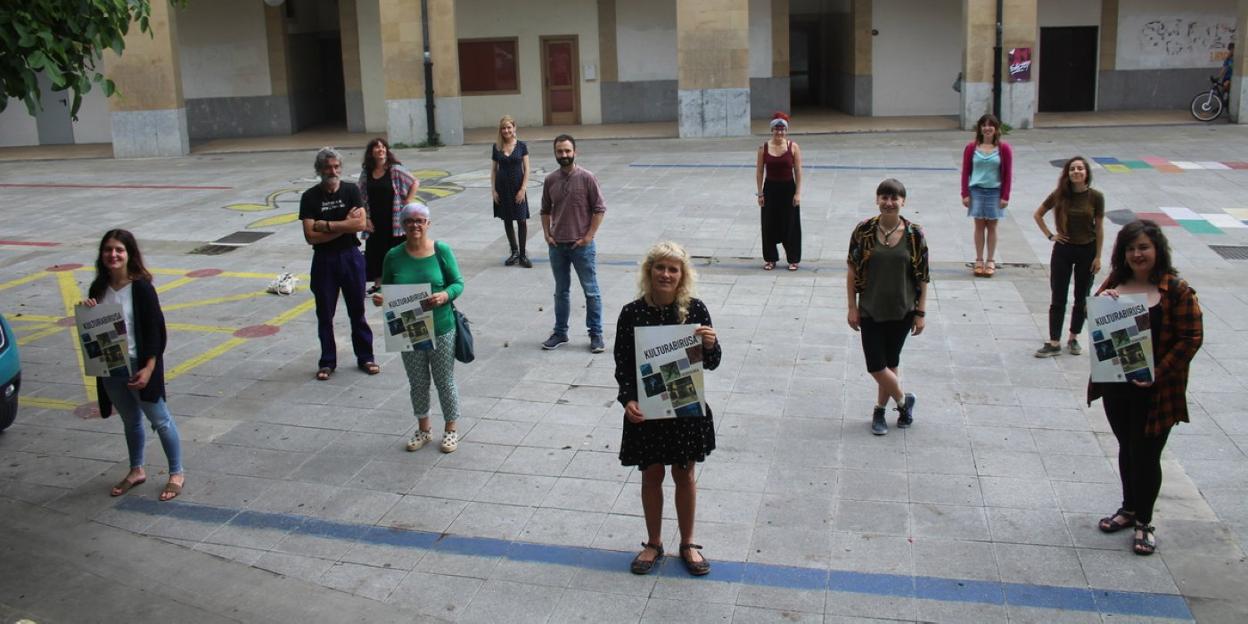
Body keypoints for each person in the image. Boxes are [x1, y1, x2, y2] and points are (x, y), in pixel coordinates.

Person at [1088, 220, 1202, 556]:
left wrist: (1158, 372)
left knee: (1147, 454)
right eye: (1130, 249)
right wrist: (1102, 300)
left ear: (1157, 250)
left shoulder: (1177, 290)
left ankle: (1144, 522)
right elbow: (1096, 322)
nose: (1137, 254)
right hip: (1117, 386)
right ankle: (1128, 508)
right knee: (1127, 447)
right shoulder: (1116, 281)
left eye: (1143, 248)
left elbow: (1191, 338)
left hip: (1156, 392)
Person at [614, 241, 721, 576]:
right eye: (660, 267)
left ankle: (688, 543)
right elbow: (623, 365)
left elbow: (712, 363)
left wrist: (710, 344)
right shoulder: (631, 313)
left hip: (684, 407)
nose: (666, 274)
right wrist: (628, 399)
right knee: (651, 475)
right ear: (649, 272)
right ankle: (654, 542)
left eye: (673, 269)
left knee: (684, 475)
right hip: (648, 410)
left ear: (682, 275)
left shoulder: (695, 310)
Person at [82, 230, 184, 501]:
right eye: (108, 249)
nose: (113, 255)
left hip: (139, 364)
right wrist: (88, 309)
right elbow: (94, 328)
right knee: (130, 420)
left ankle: (176, 473)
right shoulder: (98, 288)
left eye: (119, 250)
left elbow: (156, 332)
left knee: (160, 420)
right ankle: (136, 469)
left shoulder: (141, 288)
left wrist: (149, 369)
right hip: (111, 365)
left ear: (129, 254)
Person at [372, 203, 465, 454]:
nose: (415, 225)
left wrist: (445, 295)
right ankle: (424, 428)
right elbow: (386, 288)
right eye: (410, 221)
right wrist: (380, 298)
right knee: (417, 381)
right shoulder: (393, 256)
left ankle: (451, 429)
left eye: (420, 220)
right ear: (402, 225)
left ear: (428, 224)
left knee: (444, 380)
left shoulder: (441, 250)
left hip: (441, 325)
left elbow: (458, 283)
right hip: (408, 325)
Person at [846, 179, 929, 436]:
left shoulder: (915, 234)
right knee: (875, 365)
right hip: (870, 308)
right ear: (877, 200)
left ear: (903, 201)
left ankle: (880, 411)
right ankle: (904, 402)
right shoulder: (864, 230)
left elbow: (923, 277)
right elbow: (851, 270)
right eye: (884, 197)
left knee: (890, 362)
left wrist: (920, 312)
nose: (889, 203)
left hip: (902, 310)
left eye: (894, 198)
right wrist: (852, 307)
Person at [300, 147, 378, 380]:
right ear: (319, 170)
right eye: (328, 168)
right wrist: (345, 225)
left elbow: (361, 224)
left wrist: (327, 226)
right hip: (324, 260)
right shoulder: (310, 197)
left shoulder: (351, 190)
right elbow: (310, 236)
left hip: (350, 256)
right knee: (325, 314)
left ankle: (366, 357)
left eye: (336, 167)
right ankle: (327, 361)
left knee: (358, 311)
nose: (333, 171)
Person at [540, 134, 607, 352]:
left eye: (567, 151)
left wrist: (589, 236)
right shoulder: (550, 180)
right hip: (557, 246)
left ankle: (596, 334)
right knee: (561, 292)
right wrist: (547, 234)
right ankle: (560, 332)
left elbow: (599, 209)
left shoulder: (587, 178)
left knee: (591, 291)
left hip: (582, 246)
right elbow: (545, 210)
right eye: (560, 151)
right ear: (555, 153)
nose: (564, 155)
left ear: (575, 152)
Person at [1033, 156, 1104, 358]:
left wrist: (1098, 256)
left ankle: (1073, 338)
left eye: (1080, 168)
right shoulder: (1060, 194)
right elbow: (1038, 214)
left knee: (1082, 296)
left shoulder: (1096, 197)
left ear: (1086, 173)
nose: (1076, 172)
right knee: (1058, 295)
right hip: (1063, 249)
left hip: (1087, 249)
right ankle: (1054, 341)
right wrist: (1050, 235)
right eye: (1072, 169)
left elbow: (1099, 228)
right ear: (1067, 173)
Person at [358, 137, 419, 294]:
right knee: (375, 251)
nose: (381, 150)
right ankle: (378, 284)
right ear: (371, 152)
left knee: (396, 250)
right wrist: (366, 218)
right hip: (374, 218)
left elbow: (414, 182)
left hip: (394, 219)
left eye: (383, 147)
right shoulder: (366, 173)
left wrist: (408, 200)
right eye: (377, 147)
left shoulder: (395, 170)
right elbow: (361, 195)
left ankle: (399, 282)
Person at [960, 113, 1013, 277]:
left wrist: (1005, 196)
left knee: (992, 226)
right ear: (980, 128)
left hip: (994, 192)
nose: (987, 128)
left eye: (991, 125)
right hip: (976, 191)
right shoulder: (971, 148)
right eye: (984, 125)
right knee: (979, 226)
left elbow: (1008, 174)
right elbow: (965, 172)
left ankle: (990, 260)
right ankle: (978, 260)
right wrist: (965, 193)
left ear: (996, 128)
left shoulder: (1004, 149)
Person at [755, 112, 803, 271]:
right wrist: (760, 193)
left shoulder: (793, 147)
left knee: (791, 224)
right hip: (770, 189)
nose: (779, 132)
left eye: (782, 129)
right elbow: (760, 171)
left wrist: (798, 193)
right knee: (768, 224)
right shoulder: (763, 148)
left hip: (788, 189)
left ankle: (793, 259)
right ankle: (770, 258)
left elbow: (798, 171)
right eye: (776, 129)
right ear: (772, 130)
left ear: (786, 130)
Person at [492, 115, 532, 268]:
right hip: (502, 188)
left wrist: (523, 189)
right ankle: (514, 252)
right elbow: (493, 170)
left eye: (509, 127)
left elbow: (527, 169)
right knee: (507, 219)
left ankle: (523, 255)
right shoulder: (496, 147)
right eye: (503, 128)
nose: (506, 130)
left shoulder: (521, 146)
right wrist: (493, 190)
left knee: (521, 220)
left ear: (514, 128)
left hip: (518, 187)